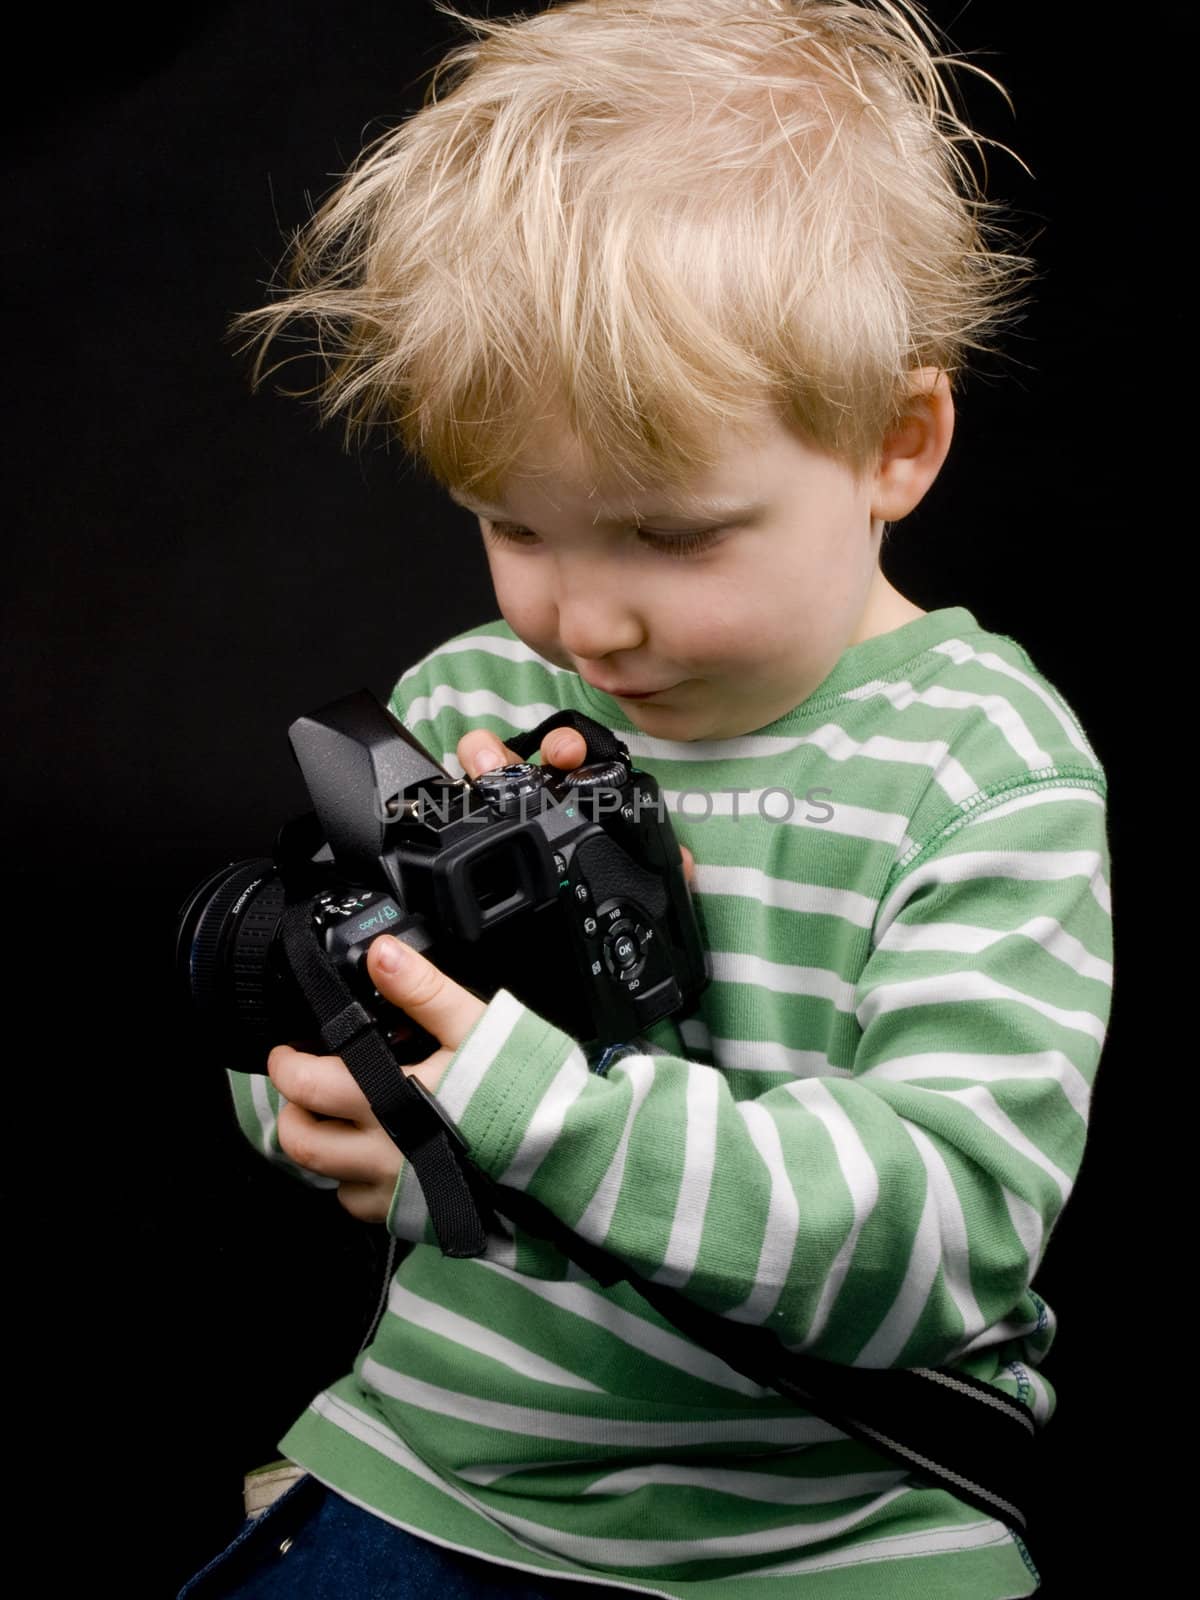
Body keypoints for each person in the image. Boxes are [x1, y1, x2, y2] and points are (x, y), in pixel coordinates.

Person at [179, 2, 1113, 1595]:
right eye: (513, 527)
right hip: (441, 1471)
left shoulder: (979, 763)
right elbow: (313, 1043)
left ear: (898, 442)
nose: (586, 626)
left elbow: (940, 1244)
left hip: (841, 1525)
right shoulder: (470, 706)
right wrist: (348, 1106)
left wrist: (518, 1108)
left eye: (674, 540)